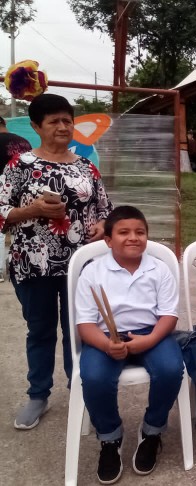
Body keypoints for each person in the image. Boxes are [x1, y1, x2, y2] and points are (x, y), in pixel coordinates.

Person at [0, 94, 113, 430]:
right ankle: (38, 394)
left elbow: (105, 209)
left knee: (79, 329)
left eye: (67, 120)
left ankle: (80, 387)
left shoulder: (86, 166)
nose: (63, 127)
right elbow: (2, 211)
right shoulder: (18, 166)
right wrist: (31, 210)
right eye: (54, 121)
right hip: (33, 263)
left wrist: (103, 226)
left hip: (81, 265)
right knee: (40, 329)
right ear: (36, 126)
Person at [74, 206, 183, 483]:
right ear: (108, 240)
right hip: (105, 335)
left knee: (171, 369)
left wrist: (151, 339)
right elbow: (85, 325)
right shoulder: (93, 272)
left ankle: (152, 431)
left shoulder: (159, 269)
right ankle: (110, 438)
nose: (133, 237)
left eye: (140, 232)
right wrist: (107, 345)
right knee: (94, 377)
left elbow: (169, 315)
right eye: (124, 232)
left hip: (151, 332)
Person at [0, 115, 32, 283]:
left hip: (3, 188)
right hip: (24, 189)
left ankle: (0, 270)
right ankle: (14, 264)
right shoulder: (23, 141)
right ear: (4, 123)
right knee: (19, 228)